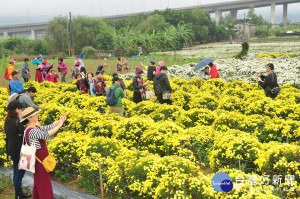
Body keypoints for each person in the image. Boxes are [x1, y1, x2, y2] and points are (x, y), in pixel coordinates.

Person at [20, 107, 67, 199]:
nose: (37, 115)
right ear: (29, 118)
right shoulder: (31, 130)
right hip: (40, 162)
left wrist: (59, 121)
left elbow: (48, 127)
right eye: (35, 114)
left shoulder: (34, 128)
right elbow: (46, 134)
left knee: (39, 182)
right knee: (44, 184)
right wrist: (60, 125)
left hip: (41, 160)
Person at [4, 101, 31, 199]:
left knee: (17, 171)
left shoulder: (7, 121)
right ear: (16, 110)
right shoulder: (17, 122)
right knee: (19, 173)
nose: (21, 111)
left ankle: (19, 193)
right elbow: (25, 134)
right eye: (20, 109)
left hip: (12, 150)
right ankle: (18, 195)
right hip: (21, 151)